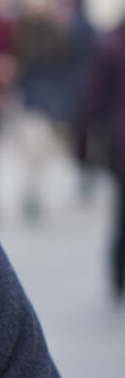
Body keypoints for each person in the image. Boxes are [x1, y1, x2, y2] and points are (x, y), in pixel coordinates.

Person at [75, 15, 125, 300]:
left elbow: (94, 100)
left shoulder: (112, 44)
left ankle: (118, 272)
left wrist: (82, 145)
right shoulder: (111, 46)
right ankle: (118, 271)